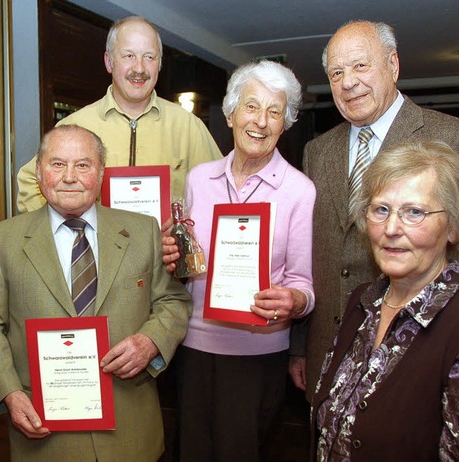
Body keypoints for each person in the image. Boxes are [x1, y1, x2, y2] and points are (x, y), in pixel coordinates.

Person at [0, 125, 191, 462]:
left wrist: (151, 341)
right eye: (57, 164)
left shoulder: (143, 231)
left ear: (101, 173)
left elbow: (174, 301)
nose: (69, 177)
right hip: (44, 433)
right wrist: (10, 393)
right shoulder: (4, 240)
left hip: (129, 430)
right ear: (40, 173)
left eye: (83, 165)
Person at [290, 20, 459, 400]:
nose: (348, 82)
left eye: (360, 66)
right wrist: (300, 344)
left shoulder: (451, 138)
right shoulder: (317, 151)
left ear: (393, 66)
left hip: (419, 351)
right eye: (336, 72)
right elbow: (309, 249)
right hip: (326, 348)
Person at [168, 61, 315, 461]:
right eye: (252, 107)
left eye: (275, 111)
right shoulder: (199, 179)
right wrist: (174, 258)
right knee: (192, 452)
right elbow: (188, 267)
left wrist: (294, 301)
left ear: (285, 123)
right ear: (231, 113)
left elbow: (304, 284)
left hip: (257, 353)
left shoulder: (300, 191)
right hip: (194, 346)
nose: (261, 121)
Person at [313, 140, 459, 460]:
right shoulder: (361, 302)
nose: (391, 228)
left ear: (452, 226)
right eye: (381, 209)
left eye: (414, 212)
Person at [16, 16, 222, 213]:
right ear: (109, 61)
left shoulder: (187, 126)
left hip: (165, 249)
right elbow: (29, 182)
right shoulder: (76, 127)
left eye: (149, 57)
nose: (139, 68)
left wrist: (182, 229)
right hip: (97, 249)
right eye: (129, 56)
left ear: (159, 64)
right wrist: (71, 229)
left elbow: (222, 188)